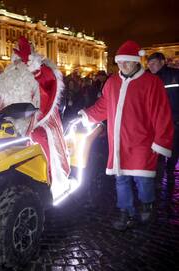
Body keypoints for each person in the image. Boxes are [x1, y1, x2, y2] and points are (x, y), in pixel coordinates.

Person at [79, 40, 174, 231]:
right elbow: (104, 106)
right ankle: (126, 212)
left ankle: (147, 203)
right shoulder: (112, 82)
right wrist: (87, 115)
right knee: (121, 178)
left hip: (142, 143)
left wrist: (160, 141)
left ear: (136, 62)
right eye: (120, 62)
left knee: (143, 179)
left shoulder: (151, 83)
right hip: (118, 142)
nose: (122, 65)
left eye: (127, 62)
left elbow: (161, 114)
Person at [0, 37, 71, 201]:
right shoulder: (5, 76)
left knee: (39, 136)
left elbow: (48, 83)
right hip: (7, 120)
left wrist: (32, 63)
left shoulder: (41, 69)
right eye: (17, 57)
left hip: (38, 119)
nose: (19, 62)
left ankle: (49, 179)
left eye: (22, 57)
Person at [147, 52, 179, 179]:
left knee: (174, 148)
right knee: (157, 149)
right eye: (149, 64)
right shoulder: (148, 77)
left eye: (153, 63)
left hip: (174, 120)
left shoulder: (175, 75)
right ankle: (159, 176)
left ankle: (169, 173)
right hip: (156, 122)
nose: (151, 66)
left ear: (162, 62)